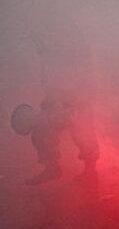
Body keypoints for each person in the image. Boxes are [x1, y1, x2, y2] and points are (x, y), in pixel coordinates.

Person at [22, 19, 100, 185]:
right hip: (56, 101)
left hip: (78, 100)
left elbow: (80, 76)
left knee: (83, 134)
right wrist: (50, 102)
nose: (36, 45)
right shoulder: (48, 53)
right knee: (41, 133)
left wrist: (73, 101)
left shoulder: (69, 49)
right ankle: (52, 169)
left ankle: (90, 173)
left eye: (37, 40)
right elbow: (51, 81)